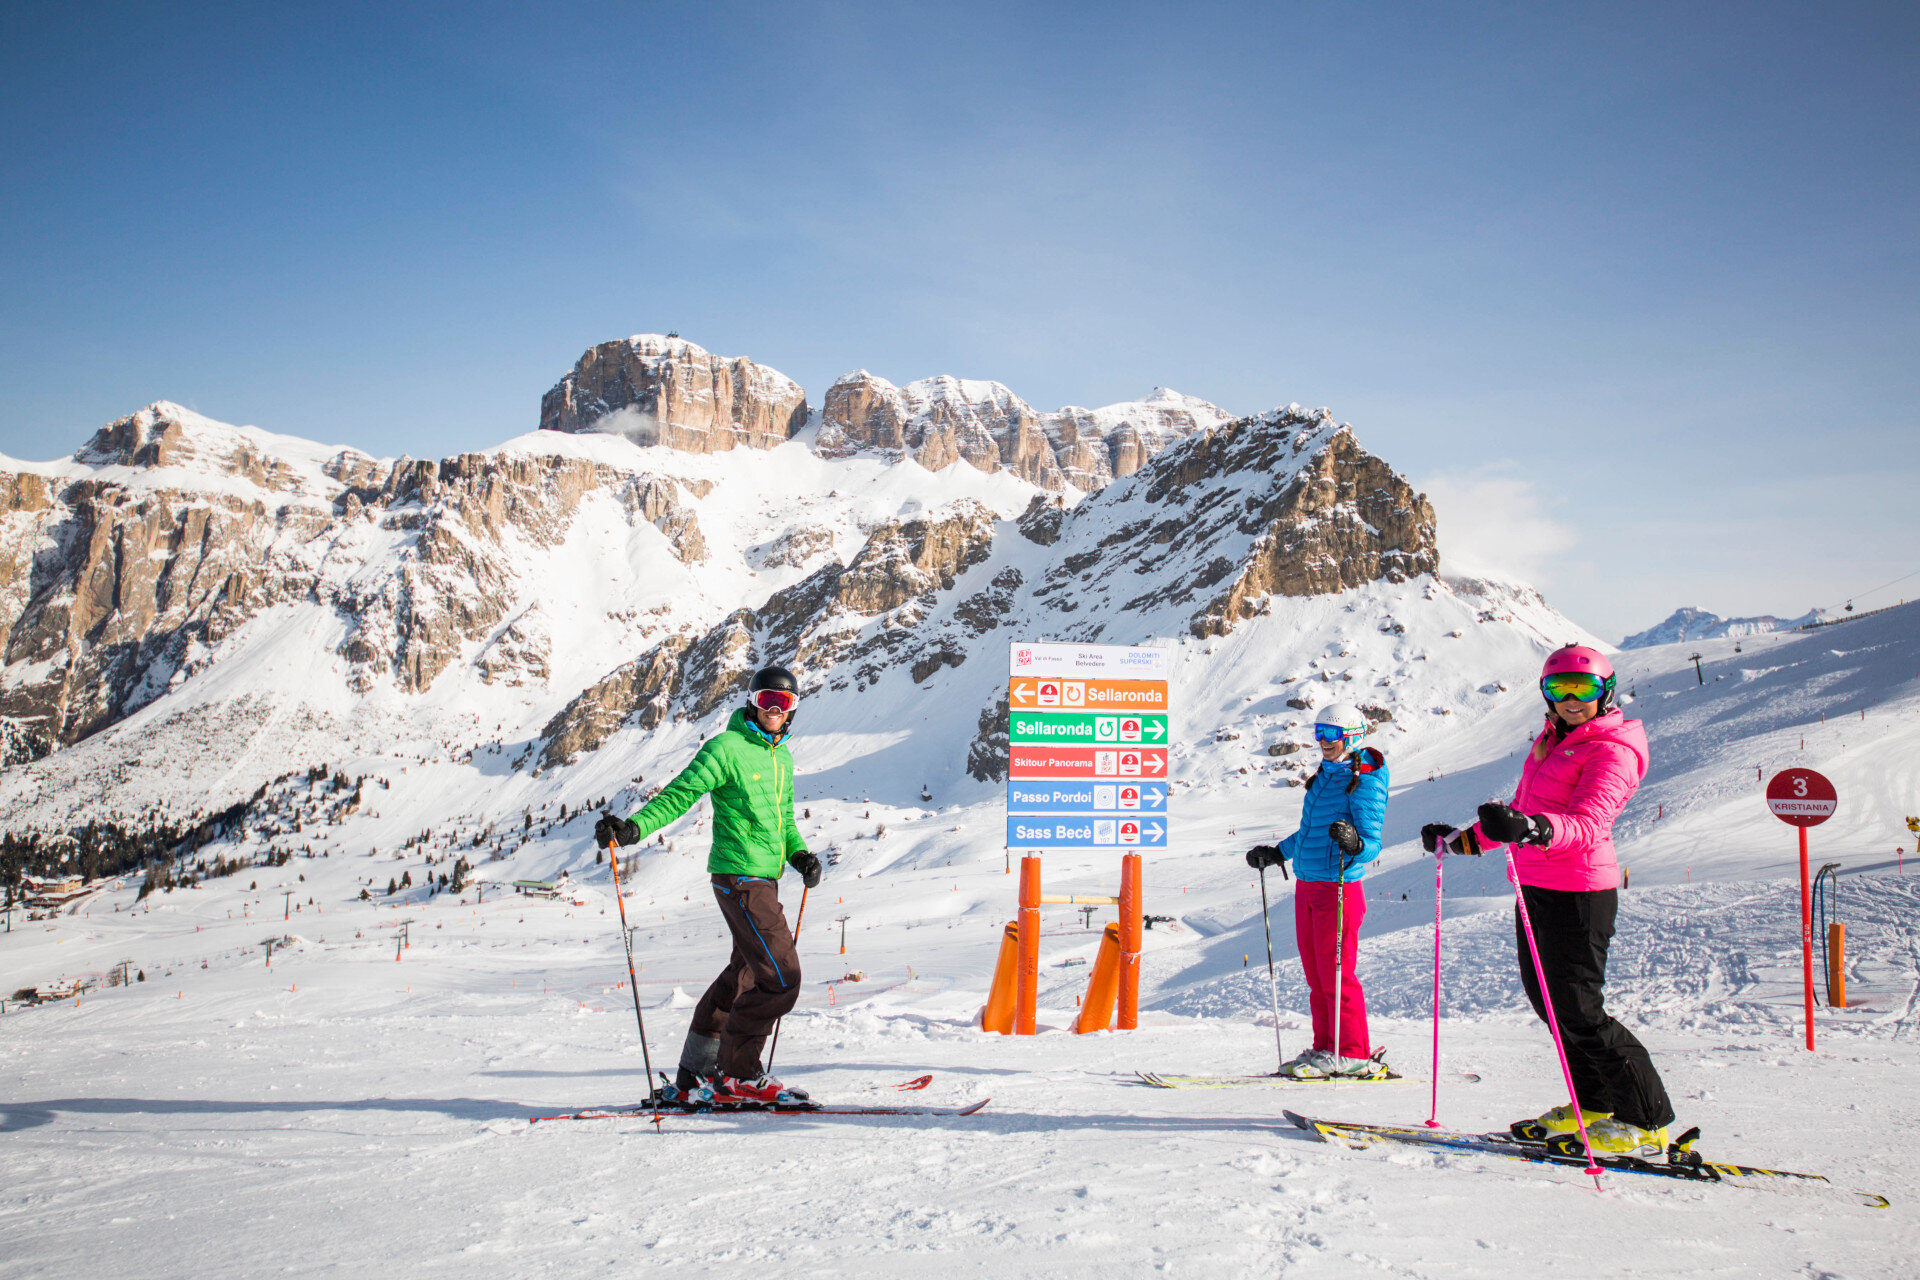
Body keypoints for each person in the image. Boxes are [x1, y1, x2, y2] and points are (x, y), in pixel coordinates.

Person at [1421, 644, 1674, 1157]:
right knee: (1553, 1006)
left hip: (1579, 890)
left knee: (1581, 1009)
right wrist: (1462, 840)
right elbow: (1519, 814)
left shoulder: (1612, 749)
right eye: (1560, 689)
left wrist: (1532, 828)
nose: (1571, 699)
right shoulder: (1555, 740)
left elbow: (1588, 824)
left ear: (1605, 691)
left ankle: (1645, 1120)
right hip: (1537, 886)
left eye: (1583, 688)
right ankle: (1596, 1107)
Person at [597, 665, 822, 1106]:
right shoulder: (726, 748)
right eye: (766, 701)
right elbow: (682, 793)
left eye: (783, 703)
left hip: (765, 879)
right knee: (782, 978)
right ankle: (739, 1073)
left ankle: (693, 1075)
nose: (774, 710)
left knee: (740, 979)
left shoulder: (783, 758)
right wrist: (634, 828)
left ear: (793, 710)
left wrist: (799, 856)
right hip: (739, 879)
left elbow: (785, 820)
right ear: (752, 703)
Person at [1246, 702, 1390, 1079]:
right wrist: (1278, 852)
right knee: (1316, 975)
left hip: (1339, 886)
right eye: (1319, 734)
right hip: (1308, 884)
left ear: (1352, 736)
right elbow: (1309, 833)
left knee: (1337, 974)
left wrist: (1355, 843)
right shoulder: (1325, 776)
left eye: (1331, 734)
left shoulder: (1365, 778)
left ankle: (1353, 1052)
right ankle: (1327, 1047)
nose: (1324, 742)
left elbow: (1372, 840)